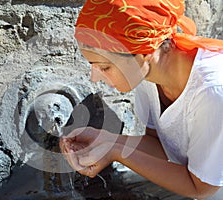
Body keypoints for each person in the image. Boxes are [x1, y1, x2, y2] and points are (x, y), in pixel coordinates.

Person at [59, 0, 223, 199]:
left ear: (143, 53)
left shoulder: (212, 93)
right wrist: (107, 140)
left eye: (104, 67)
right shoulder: (149, 75)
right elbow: (160, 146)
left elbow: (203, 188)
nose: (95, 78)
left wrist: (117, 151)